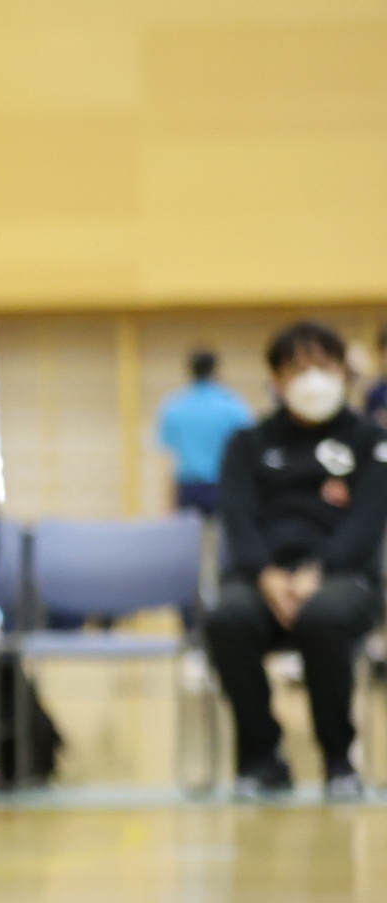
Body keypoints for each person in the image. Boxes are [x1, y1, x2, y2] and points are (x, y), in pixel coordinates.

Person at [206, 320, 387, 801]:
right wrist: (267, 576)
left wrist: (318, 573)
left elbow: (367, 524)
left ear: (344, 372)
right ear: (277, 379)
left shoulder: (371, 441)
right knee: (226, 618)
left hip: (343, 578)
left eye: (323, 366)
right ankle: (261, 759)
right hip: (262, 578)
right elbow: (237, 520)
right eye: (297, 369)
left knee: (323, 617)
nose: (312, 379)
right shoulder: (248, 443)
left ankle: (338, 759)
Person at [156, 350, 253, 516]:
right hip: (222, 485)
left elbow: (167, 457)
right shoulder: (231, 405)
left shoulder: (174, 406)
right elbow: (246, 450)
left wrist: (167, 503)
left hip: (187, 488)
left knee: (187, 533)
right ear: (216, 370)